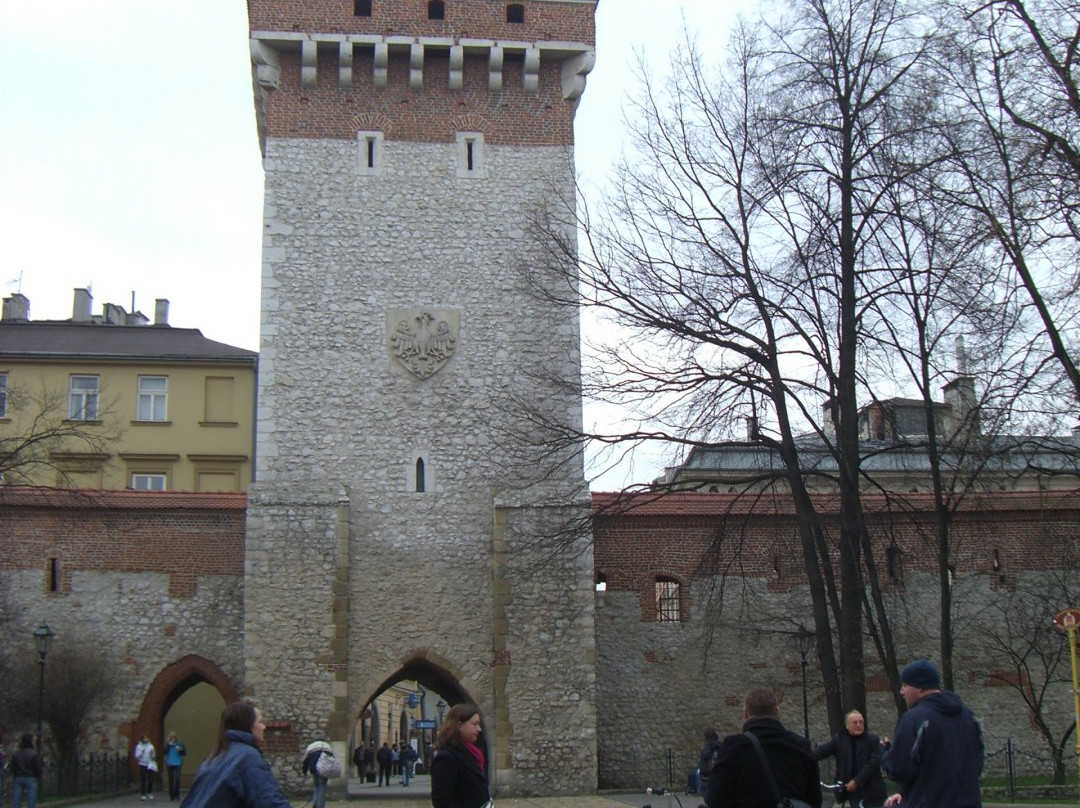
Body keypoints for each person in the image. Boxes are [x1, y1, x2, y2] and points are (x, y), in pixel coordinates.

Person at [881, 660, 983, 808]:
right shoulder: (969, 717)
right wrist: (904, 792)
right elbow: (977, 765)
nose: (902, 692)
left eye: (905, 685)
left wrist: (886, 753)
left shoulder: (915, 718)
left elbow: (899, 770)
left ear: (920, 687)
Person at [705, 688, 821, 808]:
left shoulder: (734, 747)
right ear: (777, 711)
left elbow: (716, 798)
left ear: (746, 713)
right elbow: (814, 799)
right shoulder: (800, 746)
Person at [179, 701, 292, 808]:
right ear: (247, 726)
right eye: (260, 722)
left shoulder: (213, 758)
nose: (264, 727)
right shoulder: (248, 758)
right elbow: (269, 801)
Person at [813, 711, 886, 808]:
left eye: (861, 722)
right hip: (853, 792)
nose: (859, 725)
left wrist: (856, 781)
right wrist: (805, 757)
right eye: (855, 722)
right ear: (847, 725)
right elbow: (822, 751)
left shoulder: (872, 741)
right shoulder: (840, 740)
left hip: (872, 791)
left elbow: (872, 764)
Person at [430, 703, 490, 808]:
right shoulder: (446, 758)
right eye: (475, 724)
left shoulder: (472, 754)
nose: (479, 729)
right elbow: (442, 802)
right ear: (460, 726)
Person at [9, 734, 43, 808]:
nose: (34, 743)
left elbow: (13, 767)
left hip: (18, 777)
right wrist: (38, 775)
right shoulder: (34, 754)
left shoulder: (16, 754)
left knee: (16, 797)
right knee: (31, 798)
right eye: (33, 741)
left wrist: (15, 774)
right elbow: (38, 767)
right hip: (31, 777)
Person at [301, 734, 332, 808]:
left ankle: (315, 802)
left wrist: (304, 770)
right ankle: (320, 805)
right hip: (324, 769)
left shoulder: (311, 747)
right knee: (322, 787)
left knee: (316, 786)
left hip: (314, 769)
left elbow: (306, 760)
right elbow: (331, 759)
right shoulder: (326, 746)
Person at [696, 727, 722, 800]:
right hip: (718, 776)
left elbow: (706, 755)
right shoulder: (720, 745)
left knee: (707, 796)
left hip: (707, 776)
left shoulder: (709, 745)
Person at [164, 732, 187, 801]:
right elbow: (164, 752)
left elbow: (184, 753)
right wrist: (168, 745)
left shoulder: (179, 744)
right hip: (170, 763)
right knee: (171, 779)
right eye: (171, 738)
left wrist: (180, 750)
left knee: (177, 778)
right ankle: (172, 796)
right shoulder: (167, 744)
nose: (172, 739)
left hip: (177, 763)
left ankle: (177, 794)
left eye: (173, 738)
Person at [135, 735, 158, 801]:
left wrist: (152, 754)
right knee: (143, 780)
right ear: (142, 739)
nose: (146, 739)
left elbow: (154, 755)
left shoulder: (151, 746)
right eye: (145, 738)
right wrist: (141, 753)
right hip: (142, 764)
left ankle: (149, 792)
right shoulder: (139, 746)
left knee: (150, 779)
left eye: (147, 738)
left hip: (150, 764)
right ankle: (143, 794)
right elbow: (136, 756)